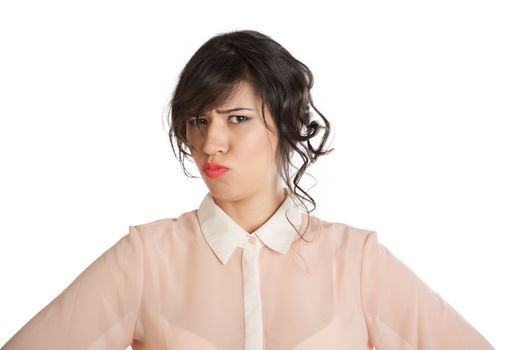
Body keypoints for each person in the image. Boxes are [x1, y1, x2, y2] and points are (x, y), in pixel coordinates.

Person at [1, 30, 495, 350]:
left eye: (236, 119)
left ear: (284, 123)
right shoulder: (146, 258)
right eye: (198, 121)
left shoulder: (357, 261)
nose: (210, 142)